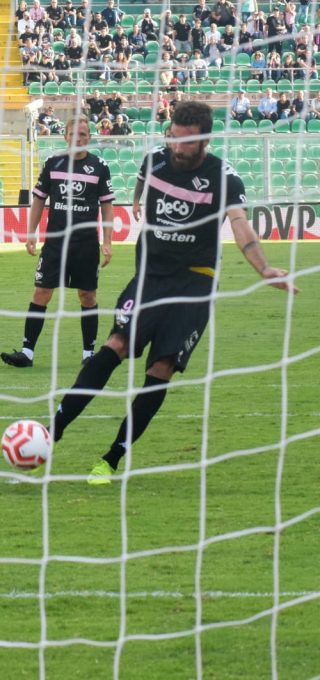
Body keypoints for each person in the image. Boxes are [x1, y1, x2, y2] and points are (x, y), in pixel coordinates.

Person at [49, 101, 298, 484]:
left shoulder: (224, 178)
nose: (178, 150)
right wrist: (135, 200)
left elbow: (240, 224)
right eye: (174, 141)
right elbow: (143, 178)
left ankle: (111, 458)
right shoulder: (156, 160)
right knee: (115, 344)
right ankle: (54, 432)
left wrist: (263, 267)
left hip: (194, 284)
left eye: (187, 143)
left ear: (205, 140)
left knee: (160, 367)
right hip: (149, 276)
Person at [1, 116, 114, 370]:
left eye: (83, 135)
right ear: (66, 136)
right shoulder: (53, 164)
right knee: (42, 292)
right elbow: (39, 200)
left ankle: (88, 356)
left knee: (88, 296)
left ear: (89, 138)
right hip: (54, 243)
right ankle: (27, 353)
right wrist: (31, 232)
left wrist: (108, 242)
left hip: (85, 244)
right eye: (74, 134)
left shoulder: (99, 167)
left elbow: (107, 206)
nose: (79, 139)